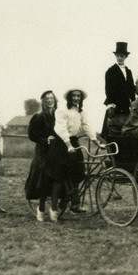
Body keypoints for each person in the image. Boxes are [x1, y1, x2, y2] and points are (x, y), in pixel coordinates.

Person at [47, 88, 104, 222]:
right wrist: (68, 146)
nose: (76, 98)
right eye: (74, 96)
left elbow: (87, 127)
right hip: (61, 143)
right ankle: (54, 208)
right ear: (69, 98)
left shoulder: (81, 112)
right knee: (60, 176)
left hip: (73, 142)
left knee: (78, 172)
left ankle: (74, 203)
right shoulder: (61, 111)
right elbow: (60, 128)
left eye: (78, 96)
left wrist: (97, 143)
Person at [25, 90, 58, 222]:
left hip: (56, 150)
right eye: (47, 99)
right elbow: (32, 135)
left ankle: (56, 206)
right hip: (43, 151)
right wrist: (45, 139)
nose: (50, 101)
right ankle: (41, 207)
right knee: (43, 178)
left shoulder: (58, 115)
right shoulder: (38, 117)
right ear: (43, 101)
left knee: (58, 177)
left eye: (52, 98)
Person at [102, 42, 136, 138]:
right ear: (116, 56)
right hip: (116, 105)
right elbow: (108, 89)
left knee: (127, 129)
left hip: (126, 106)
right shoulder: (111, 71)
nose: (120, 58)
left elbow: (131, 88)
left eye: (122, 56)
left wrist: (133, 102)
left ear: (126, 57)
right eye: (118, 56)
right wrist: (111, 105)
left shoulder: (128, 71)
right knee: (114, 131)